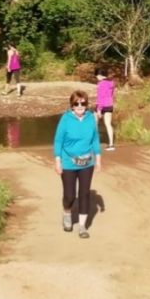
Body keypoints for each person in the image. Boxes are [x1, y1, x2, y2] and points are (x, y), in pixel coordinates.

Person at [54, 90, 103, 239]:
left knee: (84, 194)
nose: (80, 106)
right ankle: (67, 213)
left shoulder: (90, 118)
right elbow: (58, 141)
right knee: (69, 195)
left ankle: (82, 226)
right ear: (72, 105)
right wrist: (57, 161)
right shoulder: (66, 119)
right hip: (68, 162)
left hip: (87, 163)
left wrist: (98, 159)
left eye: (83, 103)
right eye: (77, 103)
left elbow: (95, 139)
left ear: (87, 104)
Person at [95, 69, 116, 150]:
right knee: (108, 124)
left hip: (101, 105)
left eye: (96, 76)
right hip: (109, 105)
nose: (96, 78)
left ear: (99, 76)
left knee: (94, 123)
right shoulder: (111, 83)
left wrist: (99, 109)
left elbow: (100, 97)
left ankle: (94, 143)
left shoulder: (101, 84)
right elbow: (111, 94)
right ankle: (111, 144)